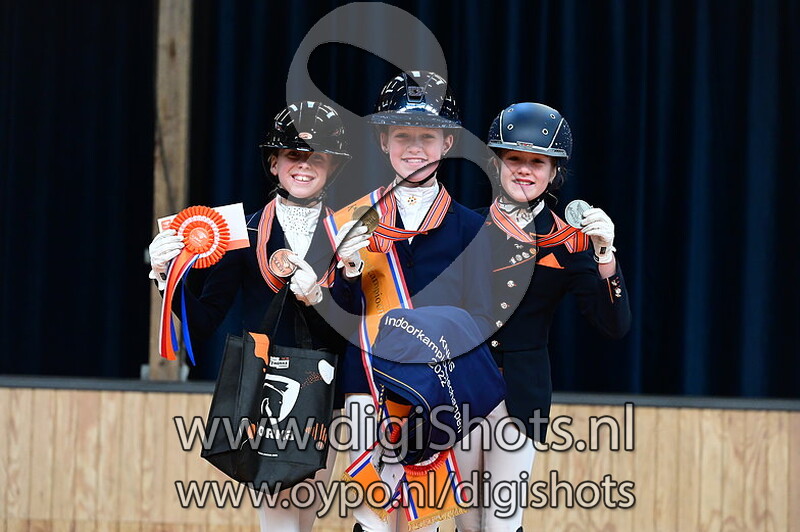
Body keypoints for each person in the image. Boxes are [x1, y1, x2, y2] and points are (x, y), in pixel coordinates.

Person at [146, 101, 365, 532]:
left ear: (333, 167)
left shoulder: (348, 233)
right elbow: (204, 320)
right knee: (279, 522)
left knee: (307, 516)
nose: (304, 166)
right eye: (293, 155)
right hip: (268, 394)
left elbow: (356, 325)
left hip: (327, 393)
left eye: (317, 157)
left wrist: (330, 289)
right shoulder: (241, 233)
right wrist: (165, 276)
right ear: (274, 163)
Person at [453, 102, 632, 531]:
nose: (524, 170)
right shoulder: (461, 227)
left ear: (554, 172)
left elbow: (614, 324)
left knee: (501, 521)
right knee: (465, 522)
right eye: (513, 158)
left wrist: (605, 254)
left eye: (537, 162)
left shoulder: (569, 242)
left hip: (521, 395)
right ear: (496, 164)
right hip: (460, 389)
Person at [329, 70, 494, 532]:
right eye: (403, 135)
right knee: (371, 518)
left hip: (438, 390)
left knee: (427, 523)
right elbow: (336, 316)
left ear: (447, 144)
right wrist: (347, 270)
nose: (414, 147)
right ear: (384, 141)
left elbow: (482, 318)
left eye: (428, 136)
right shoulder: (354, 218)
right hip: (368, 387)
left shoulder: (472, 228)